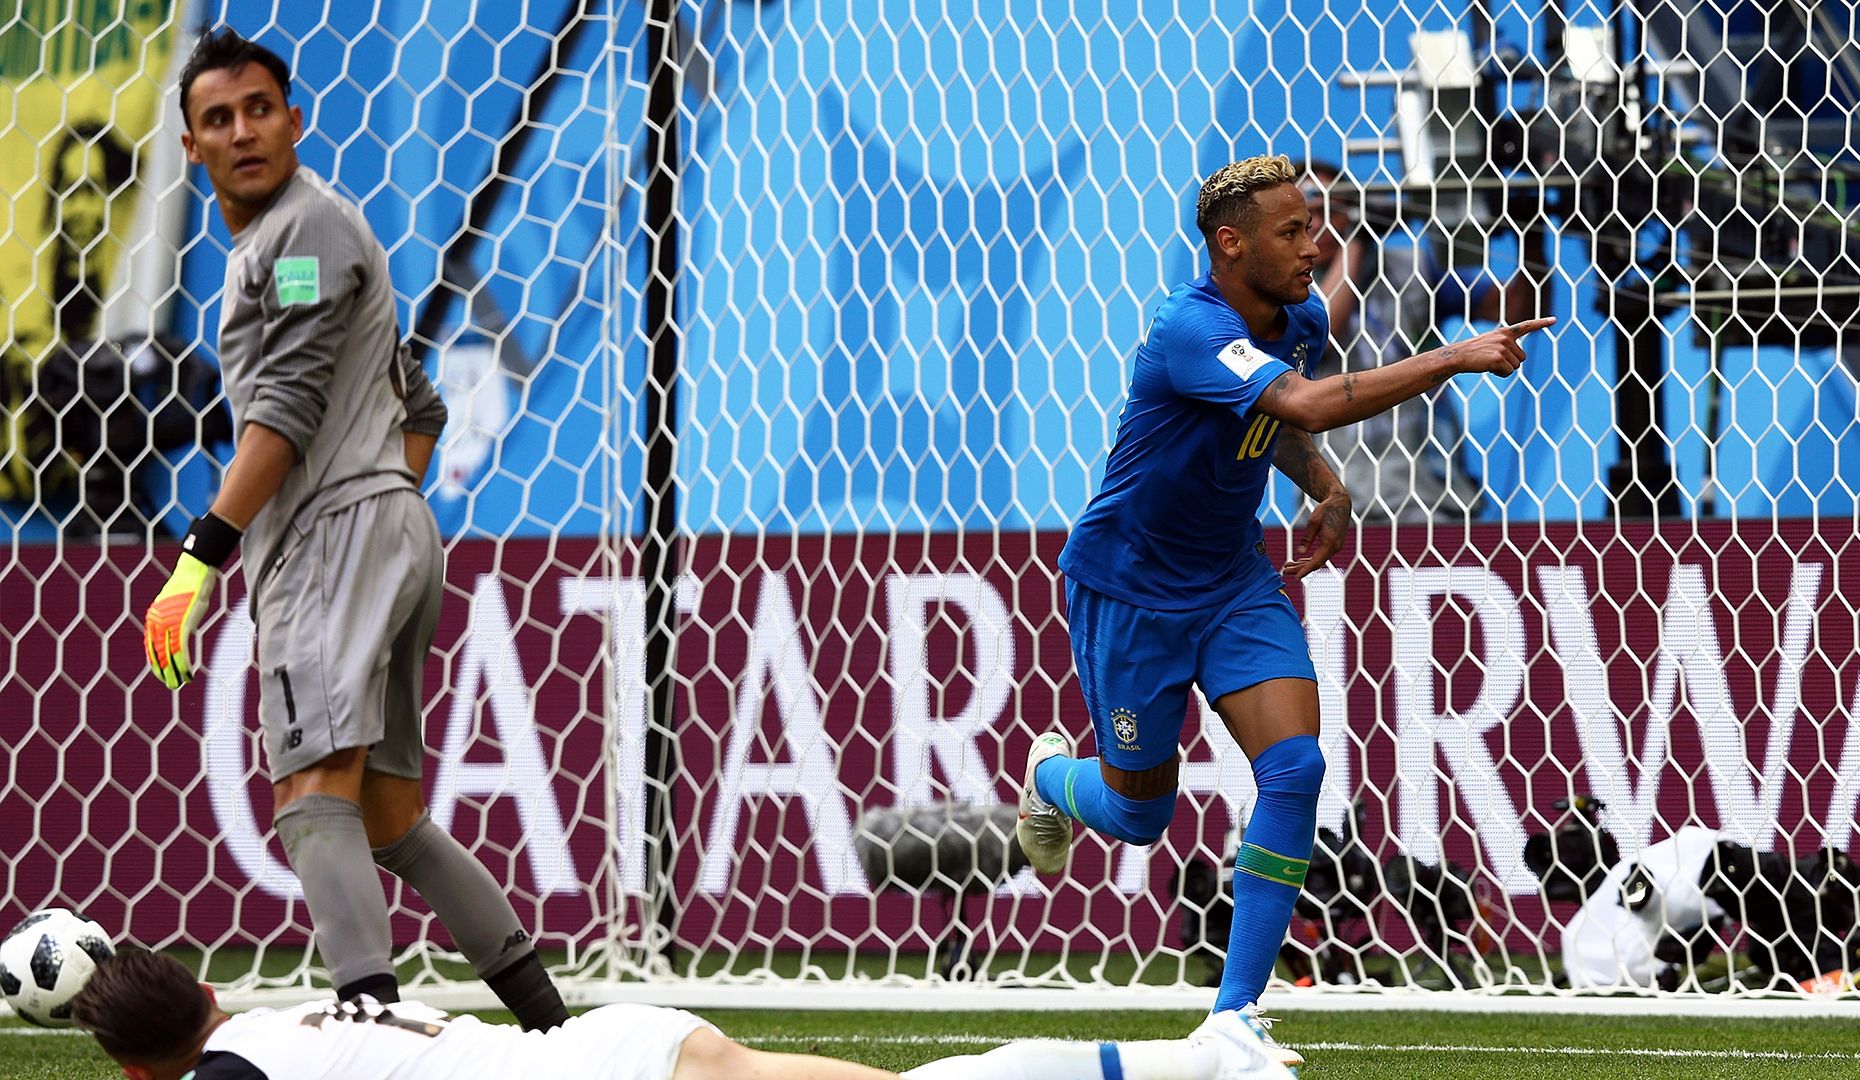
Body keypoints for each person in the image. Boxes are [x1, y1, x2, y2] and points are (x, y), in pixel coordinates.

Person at [1017, 154, 1553, 1057]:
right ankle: (1051, 780)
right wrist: (1456, 357)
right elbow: (1300, 399)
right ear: (1231, 245)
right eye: (1294, 231)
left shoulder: (1297, 316)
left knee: (1296, 769)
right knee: (1140, 818)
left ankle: (1233, 1016)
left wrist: (1326, 484)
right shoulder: (1191, 327)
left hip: (1232, 583)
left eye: (1315, 224)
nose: (1317, 243)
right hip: (1132, 592)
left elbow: (1273, 424)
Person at [137, 30, 566, 1031]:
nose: (242, 130)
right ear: (192, 146)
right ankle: (553, 1028)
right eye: (218, 118)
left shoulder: (301, 235)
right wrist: (388, 510)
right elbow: (418, 404)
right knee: (387, 816)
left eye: (258, 109)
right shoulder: (296, 241)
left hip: (340, 542)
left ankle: (370, 1027)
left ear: (295, 119)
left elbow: (285, 408)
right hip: (379, 533)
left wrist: (198, 559)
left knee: (307, 791)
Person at [71, 948, 1304, 1080]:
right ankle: (1196, 1055)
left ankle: (1205, 1057)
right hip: (611, 1042)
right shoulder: (283, 1018)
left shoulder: (238, 1076)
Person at [1303, 164, 1548, 522]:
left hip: (1425, 494)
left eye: (1331, 209)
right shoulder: (1286, 288)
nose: (1318, 225)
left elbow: (1520, 311)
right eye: (1306, 214)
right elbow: (1319, 337)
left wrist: (1531, 238)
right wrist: (1358, 238)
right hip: (1331, 496)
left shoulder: (1412, 267)